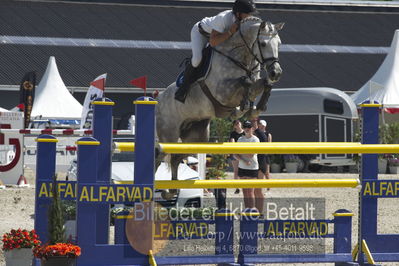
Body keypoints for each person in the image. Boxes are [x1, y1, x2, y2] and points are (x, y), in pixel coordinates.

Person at [175, 0, 257, 103]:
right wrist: (231, 31)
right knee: (197, 60)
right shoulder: (223, 18)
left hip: (221, 37)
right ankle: (183, 87)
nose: (250, 16)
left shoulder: (245, 22)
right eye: (248, 14)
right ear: (238, 13)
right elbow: (213, 42)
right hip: (201, 33)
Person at [235, 120, 259, 211]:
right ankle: (246, 210)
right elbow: (235, 154)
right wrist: (243, 160)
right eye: (245, 127)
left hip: (252, 167)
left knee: (251, 191)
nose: (246, 129)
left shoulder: (255, 139)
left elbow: (251, 154)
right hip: (242, 166)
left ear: (252, 128)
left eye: (248, 127)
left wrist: (241, 153)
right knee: (245, 191)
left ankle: (252, 210)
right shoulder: (240, 139)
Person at [229, 120, 244, 194]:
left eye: (238, 123)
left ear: (241, 124)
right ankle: (237, 187)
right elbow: (232, 143)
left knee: (244, 171)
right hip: (235, 153)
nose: (238, 124)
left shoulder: (245, 133)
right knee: (236, 171)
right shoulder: (233, 133)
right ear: (234, 126)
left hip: (244, 154)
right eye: (236, 124)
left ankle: (245, 186)